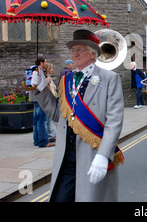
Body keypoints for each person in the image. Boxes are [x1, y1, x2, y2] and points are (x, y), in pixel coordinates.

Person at [32, 29, 125, 202]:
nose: (74, 54)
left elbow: (114, 122)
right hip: (66, 157)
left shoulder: (109, 78)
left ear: (92, 54)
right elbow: (58, 115)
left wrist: (104, 155)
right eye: (73, 50)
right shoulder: (66, 80)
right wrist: (40, 88)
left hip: (92, 155)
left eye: (79, 49)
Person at [30, 55, 55, 148]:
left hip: (37, 99)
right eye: (45, 62)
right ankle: (43, 141)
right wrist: (47, 81)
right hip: (40, 99)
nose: (46, 64)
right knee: (42, 121)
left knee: (37, 121)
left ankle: (37, 140)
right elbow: (36, 86)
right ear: (41, 63)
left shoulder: (37, 71)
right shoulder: (37, 72)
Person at [44, 62, 57, 142]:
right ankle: (51, 135)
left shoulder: (49, 77)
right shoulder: (46, 78)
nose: (52, 70)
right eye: (51, 68)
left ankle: (52, 134)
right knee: (49, 118)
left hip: (52, 97)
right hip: (49, 98)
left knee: (51, 118)